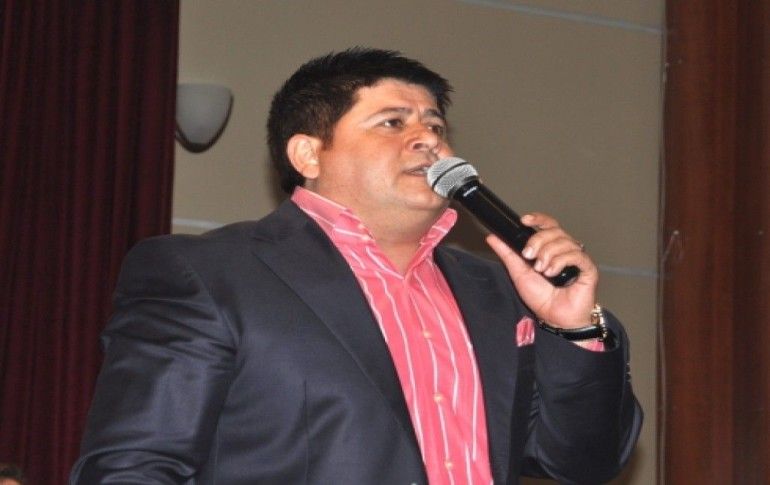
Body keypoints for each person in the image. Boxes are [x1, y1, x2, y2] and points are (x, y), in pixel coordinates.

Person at [71, 47, 642, 484]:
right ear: (308, 154)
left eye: (436, 126)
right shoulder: (211, 274)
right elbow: (133, 467)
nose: (428, 140)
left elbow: (583, 463)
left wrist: (574, 329)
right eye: (393, 122)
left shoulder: (496, 290)